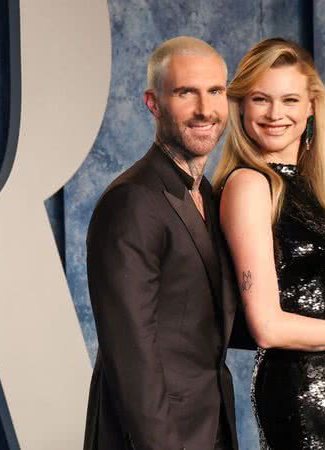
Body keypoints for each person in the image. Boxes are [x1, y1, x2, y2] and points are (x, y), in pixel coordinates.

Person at [214, 38, 325, 449]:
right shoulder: (249, 184)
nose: (276, 114)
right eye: (261, 99)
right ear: (241, 106)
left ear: (312, 106)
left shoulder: (312, 188)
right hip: (302, 391)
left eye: (290, 99)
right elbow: (267, 326)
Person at [82, 36, 238, 450]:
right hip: (154, 437)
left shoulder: (215, 197)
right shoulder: (131, 200)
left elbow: (213, 321)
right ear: (153, 103)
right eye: (187, 92)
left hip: (210, 426)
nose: (205, 109)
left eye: (216, 92)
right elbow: (132, 356)